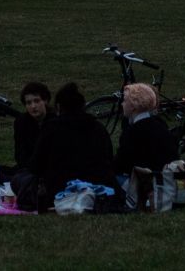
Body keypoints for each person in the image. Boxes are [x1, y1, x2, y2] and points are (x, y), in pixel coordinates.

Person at [16, 82, 122, 212]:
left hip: (60, 189)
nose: (33, 106)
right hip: (99, 185)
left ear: (59, 107)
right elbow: (108, 158)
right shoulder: (98, 127)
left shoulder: (51, 128)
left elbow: (35, 166)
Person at [113, 83, 177, 177]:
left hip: (146, 180)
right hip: (167, 178)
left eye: (125, 100)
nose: (122, 104)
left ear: (133, 106)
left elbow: (121, 163)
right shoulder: (160, 124)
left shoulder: (133, 131)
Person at [12, 81, 54, 173]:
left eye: (37, 101)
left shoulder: (56, 121)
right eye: (28, 103)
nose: (33, 106)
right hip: (28, 169)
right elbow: (20, 153)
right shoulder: (21, 122)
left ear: (45, 101)